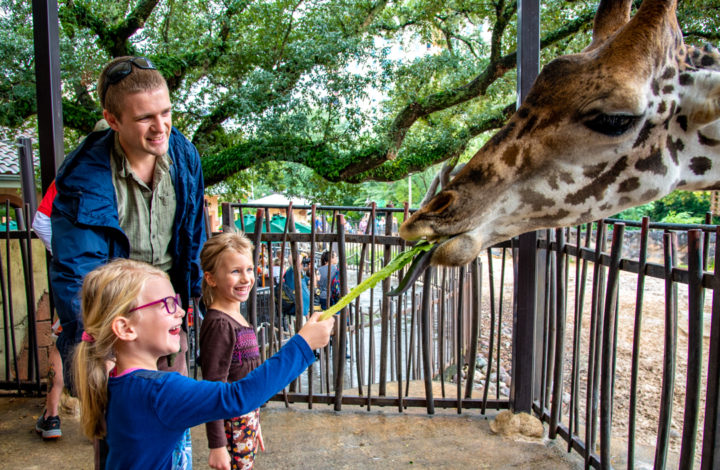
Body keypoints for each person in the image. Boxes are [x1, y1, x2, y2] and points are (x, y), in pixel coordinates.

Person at [73, 258, 334, 470]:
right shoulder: (158, 392)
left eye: (176, 301)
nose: (179, 311)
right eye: (166, 304)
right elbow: (237, 397)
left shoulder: (116, 377)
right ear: (125, 328)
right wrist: (303, 344)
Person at [50, 56, 206, 394]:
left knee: (172, 417)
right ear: (112, 120)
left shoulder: (185, 157)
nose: (161, 127)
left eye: (165, 113)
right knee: (120, 432)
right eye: (145, 117)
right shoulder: (82, 179)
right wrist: (96, 346)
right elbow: (77, 272)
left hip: (167, 315)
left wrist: (198, 307)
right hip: (116, 324)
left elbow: (194, 238)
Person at [199, 232, 263, 470]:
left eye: (249, 269)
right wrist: (217, 445)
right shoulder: (220, 324)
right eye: (235, 271)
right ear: (211, 278)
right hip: (232, 426)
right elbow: (213, 388)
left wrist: (255, 425)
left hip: (245, 421)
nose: (246, 278)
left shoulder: (235, 316)